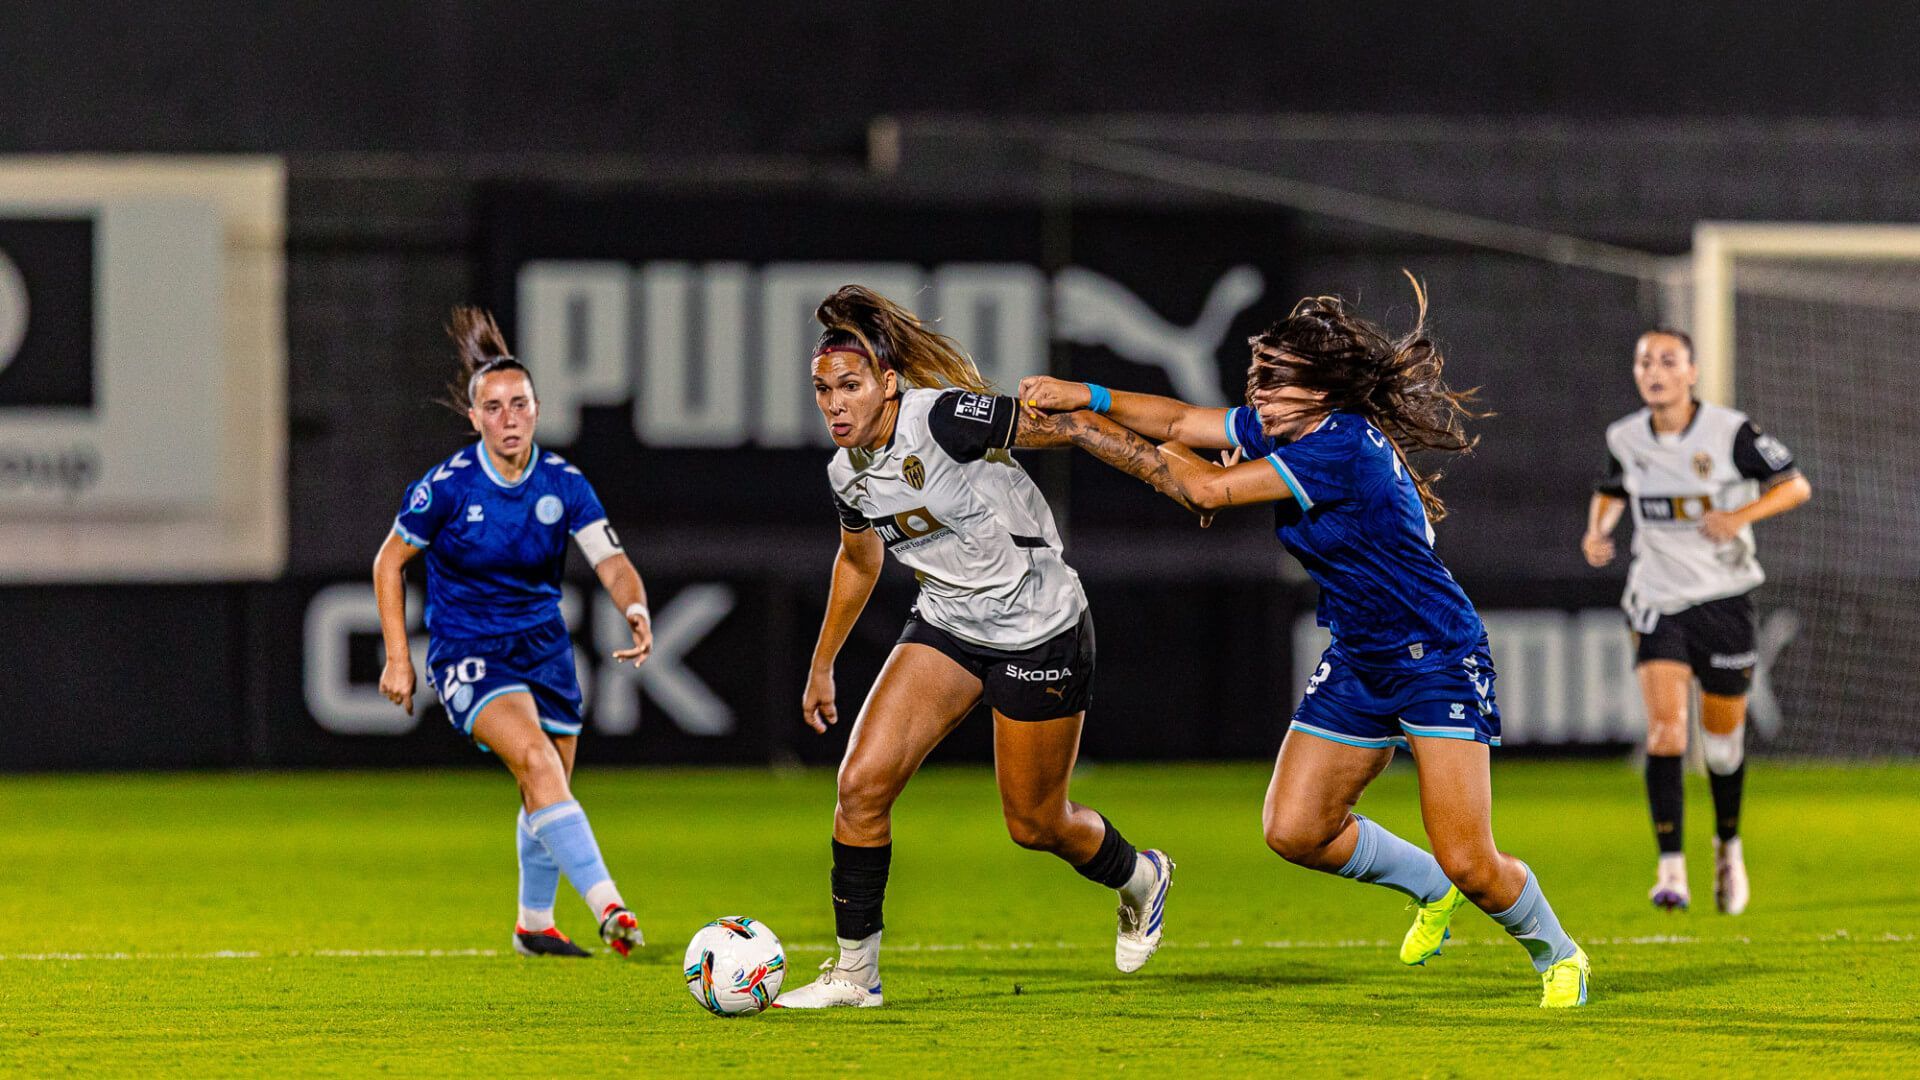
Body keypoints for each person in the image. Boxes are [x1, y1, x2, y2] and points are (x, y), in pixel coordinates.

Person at [1020, 280, 1591, 1007]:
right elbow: (1183, 420)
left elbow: (1202, 490)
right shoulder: (1293, 428)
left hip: (1435, 658)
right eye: (1257, 381)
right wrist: (1090, 394)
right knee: (1295, 829)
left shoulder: (1341, 447)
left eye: (1275, 383)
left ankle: (1559, 953)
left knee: (1474, 859)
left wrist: (1078, 430)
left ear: (1322, 390)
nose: (1258, 398)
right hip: (1358, 656)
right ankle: (1429, 887)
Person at [773, 285, 1185, 1010]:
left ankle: (1140, 876)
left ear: (887, 383)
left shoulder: (941, 420)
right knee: (860, 787)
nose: (834, 403)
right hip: (948, 626)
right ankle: (855, 974)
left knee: (1036, 823)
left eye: (849, 385)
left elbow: (1064, 427)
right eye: (822, 390)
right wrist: (822, 663)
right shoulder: (847, 474)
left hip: (1040, 625)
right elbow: (860, 562)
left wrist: (1169, 472)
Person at [372, 306, 655, 959]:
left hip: (545, 649)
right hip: (470, 650)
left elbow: (611, 561)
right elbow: (390, 560)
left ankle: (533, 923)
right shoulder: (446, 487)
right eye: (493, 408)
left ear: (535, 409)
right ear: (474, 418)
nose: (508, 418)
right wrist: (398, 658)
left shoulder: (564, 484)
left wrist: (635, 609)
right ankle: (609, 905)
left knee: (548, 786)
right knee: (536, 761)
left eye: (519, 404)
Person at [1583, 328, 1812, 915]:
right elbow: (1612, 488)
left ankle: (1727, 847)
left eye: (1667, 360)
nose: (1654, 370)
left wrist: (1740, 515)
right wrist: (1598, 530)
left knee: (1722, 746)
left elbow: (1794, 486)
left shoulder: (1729, 432)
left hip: (1726, 601)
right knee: (1666, 731)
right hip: (1658, 599)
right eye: (1644, 361)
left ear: (1692, 372)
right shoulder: (1626, 436)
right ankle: (1670, 870)